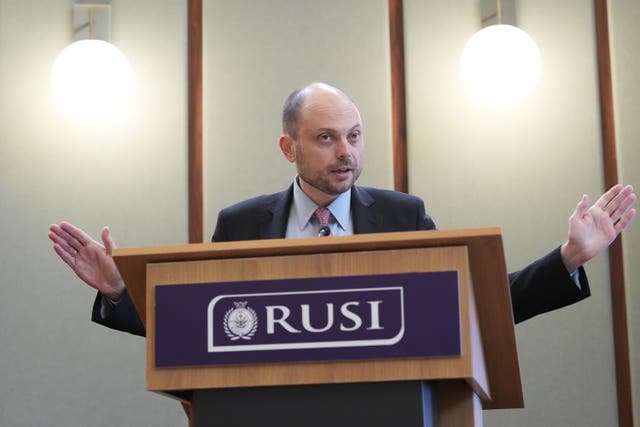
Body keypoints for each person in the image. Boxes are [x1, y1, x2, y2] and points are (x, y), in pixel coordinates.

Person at [48, 82, 637, 337]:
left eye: (354, 136)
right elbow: (197, 326)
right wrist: (121, 292)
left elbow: (477, 305)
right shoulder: (241, 225)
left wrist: (568, 258)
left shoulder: (405, 216)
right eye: (327, 138)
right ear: (289, 147)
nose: (347, 152)